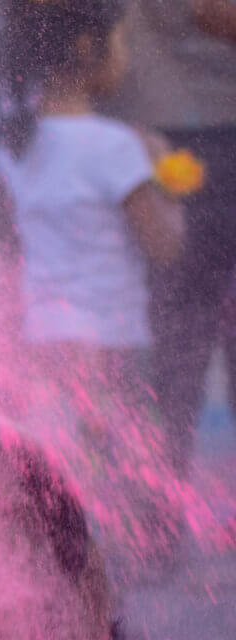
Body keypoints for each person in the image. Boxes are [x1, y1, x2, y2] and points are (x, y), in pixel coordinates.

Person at [0, 0, 187, 580]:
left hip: (46, 336)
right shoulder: (117, 146)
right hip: (112, 338)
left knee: (70, 461)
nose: (125, 57)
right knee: (123, 460)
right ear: (87, 48)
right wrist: (166, 175)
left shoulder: (15, 143)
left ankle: (68, 568)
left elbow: (12, 246)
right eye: (121, 42)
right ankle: (115, 572)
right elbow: (164, 245)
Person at [104, 0, 236, 484]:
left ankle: (160, 494)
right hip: (184, 130)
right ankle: (161, 494)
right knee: (179, 335)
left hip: (162, 124)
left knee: (175, 337)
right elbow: (211, 11)